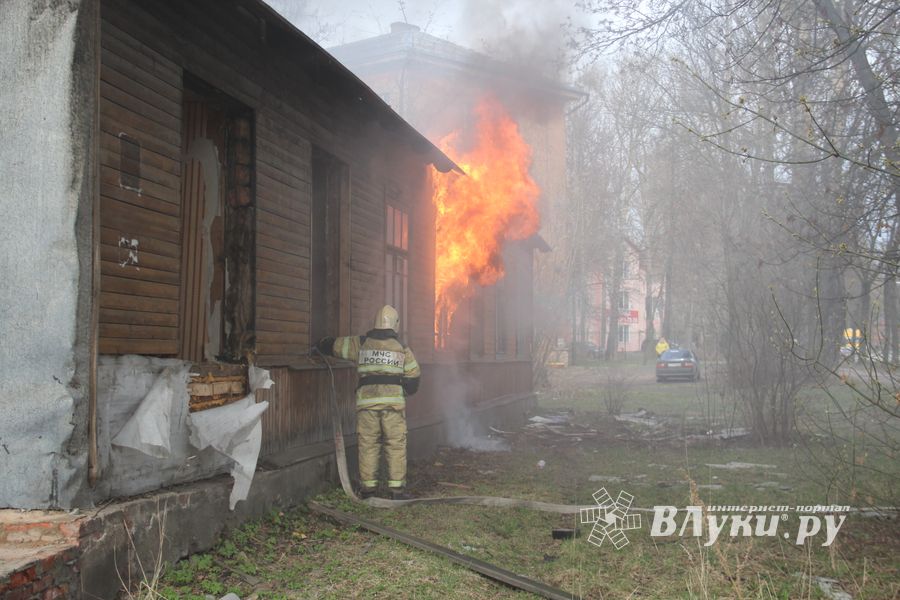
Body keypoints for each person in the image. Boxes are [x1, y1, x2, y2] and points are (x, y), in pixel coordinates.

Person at [316, 305, 421, 499]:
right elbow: (414, 376)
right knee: (395, 444)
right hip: (393, 408)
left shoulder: (361, 343)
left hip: (367, 405)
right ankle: (396, 491)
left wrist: (322, 344)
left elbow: (337, 346)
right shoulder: (402, 347)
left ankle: (368, 490)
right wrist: (403, 389)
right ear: (395, 324)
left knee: (368, 444)